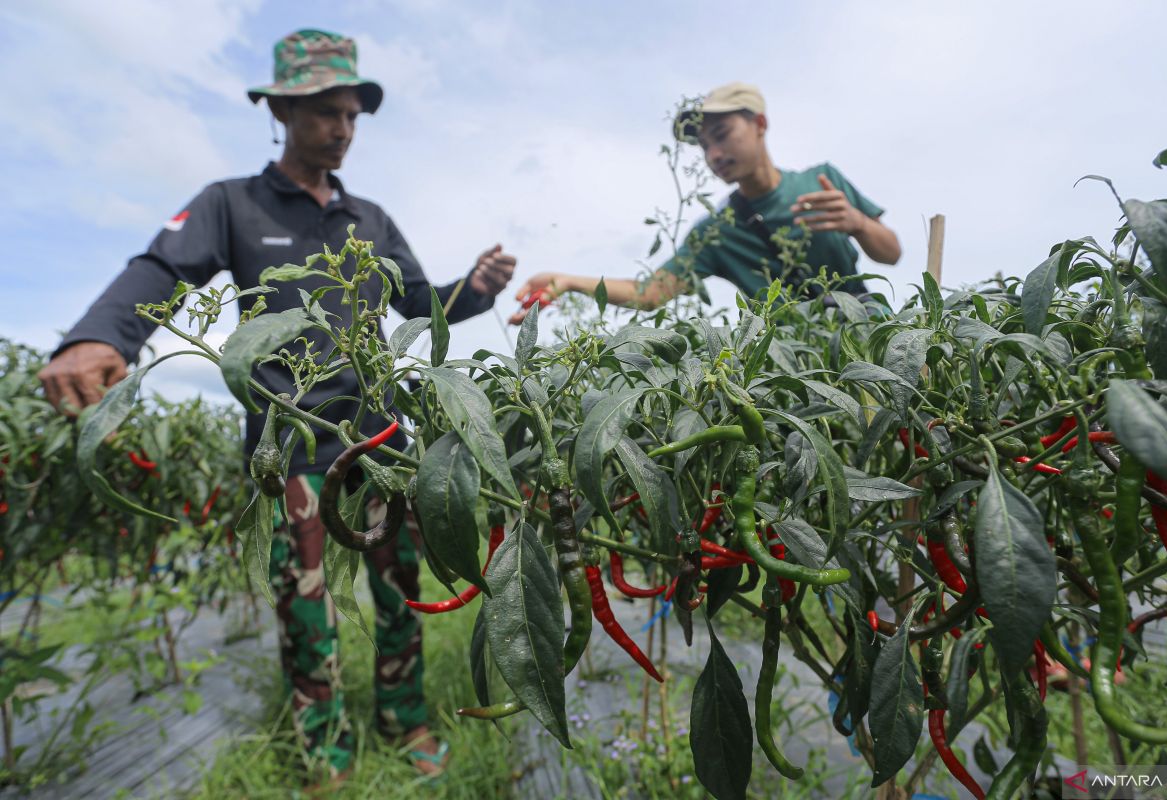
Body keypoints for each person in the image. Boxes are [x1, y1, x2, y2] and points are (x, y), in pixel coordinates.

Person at [37, 29, 516, 783]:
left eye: (352, 115)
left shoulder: (373, 220)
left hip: (382, 447)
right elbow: (163, 267)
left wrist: (478, 288)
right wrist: (100, 335)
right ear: (282, 110)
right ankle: (324, 752)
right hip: (294, 456)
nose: (343, 129)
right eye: (326, 112)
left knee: (399, 599)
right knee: (308, 614)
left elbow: (421, 303)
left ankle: (405, 719)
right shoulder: (233, 203)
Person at [508, 81, 900, 323]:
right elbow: (650, 293)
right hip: (803, 367)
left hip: (874, 332)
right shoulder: (716, 231)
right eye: (704, 144)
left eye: (723, 134)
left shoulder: (821, 180)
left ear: (760, 124)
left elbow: (892, 255)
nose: (713, 153)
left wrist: (860, 225)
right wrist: (569, 282)